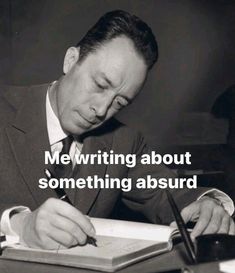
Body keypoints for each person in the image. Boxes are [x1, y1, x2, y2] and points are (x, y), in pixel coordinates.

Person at [0, 10, 234, 250]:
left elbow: (167, 191)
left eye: (120, 102)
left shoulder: (124, 142)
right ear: (71, 60)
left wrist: (206, 203)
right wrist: (18, 224)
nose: (101, 110)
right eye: (100, 84)